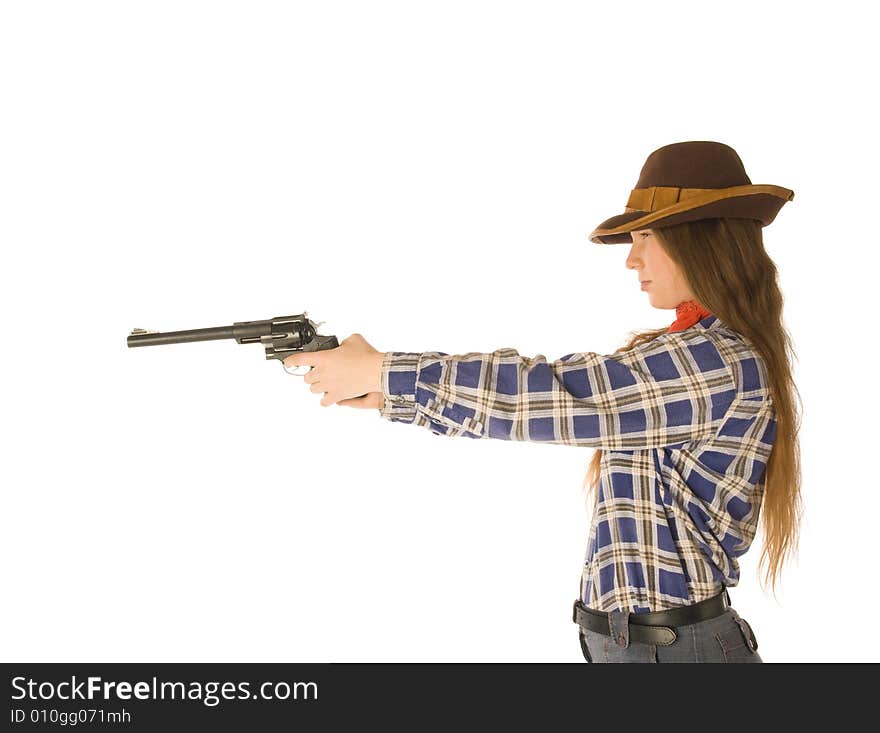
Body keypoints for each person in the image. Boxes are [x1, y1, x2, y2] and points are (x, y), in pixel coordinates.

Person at [284, 140, 802, 663]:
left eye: (647, 235)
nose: (632, 257)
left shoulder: (713, 361)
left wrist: (388, 372)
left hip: (671, 652)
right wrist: (388, 389)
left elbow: (551, 395)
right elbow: (552, 399)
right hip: (648, 647)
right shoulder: (691, 355)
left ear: (701, 241)